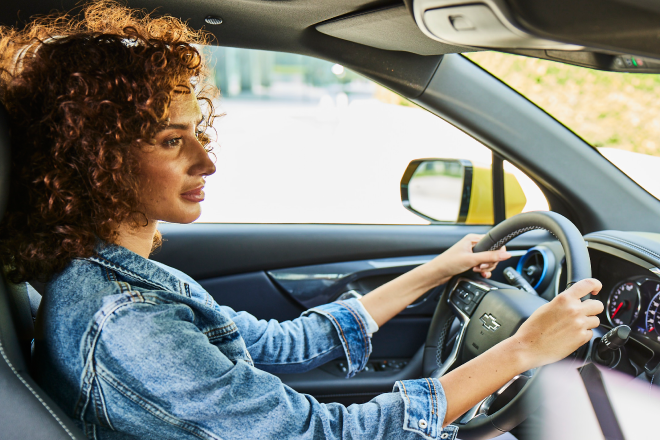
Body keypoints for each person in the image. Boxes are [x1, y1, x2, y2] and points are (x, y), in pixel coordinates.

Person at [0, 2, 604, 439]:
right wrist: (523, 349)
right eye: (170, 140)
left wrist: (435, 271)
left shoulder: (118, 281)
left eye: (198, 133)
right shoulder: (126, 321)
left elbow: (281, 346)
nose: (206, 160)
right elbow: (323, 435)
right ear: (94, 159)